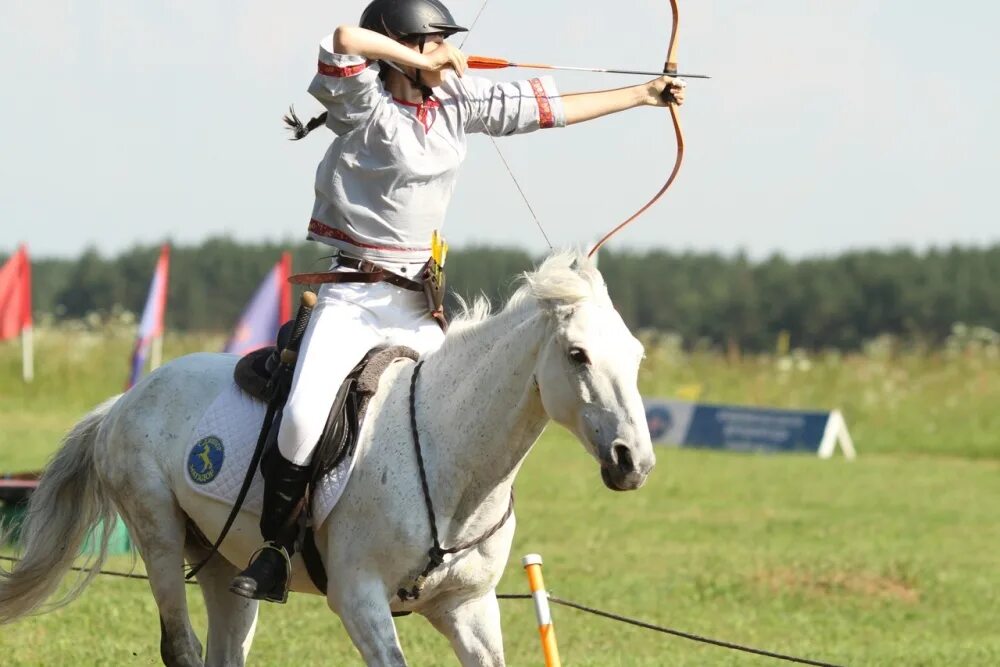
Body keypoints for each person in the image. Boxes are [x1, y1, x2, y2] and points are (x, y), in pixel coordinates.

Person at [229, 0, 687, 603]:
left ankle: (444, 550)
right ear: (401, 50)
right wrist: (418, 55)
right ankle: (274, 549)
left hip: (418, 307)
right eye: (432, 42)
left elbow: (545, 109)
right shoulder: (363, 105)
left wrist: (642, 95)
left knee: (458, 421)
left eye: (449, 41)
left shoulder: (453, 104)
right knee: (302, 417)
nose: (448, 51)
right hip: (352, 299)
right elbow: (343, 39)